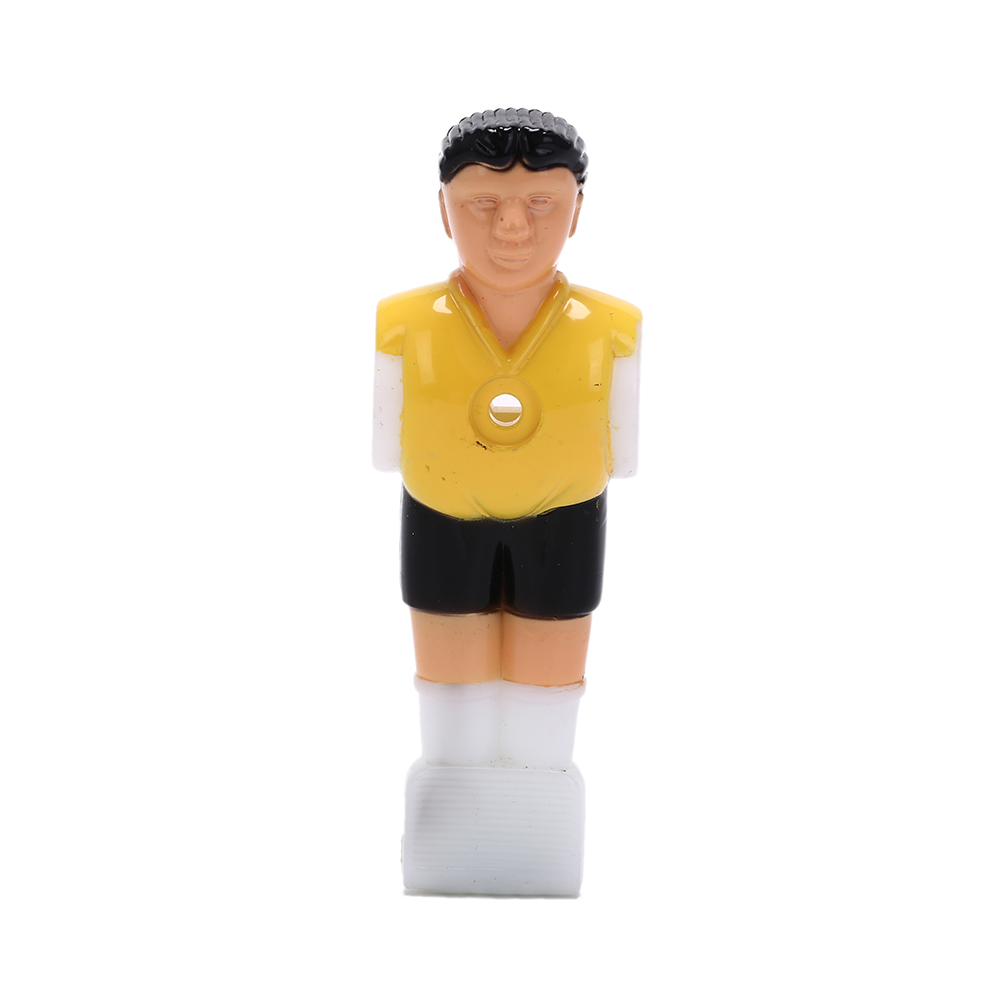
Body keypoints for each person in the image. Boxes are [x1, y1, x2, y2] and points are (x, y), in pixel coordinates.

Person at [373, 109, 640, 894]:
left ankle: (538, 794)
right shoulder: (402, 324)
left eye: (542, 204)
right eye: (484, 204)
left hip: (565, 518)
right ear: (443, 209)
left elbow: (623, 451)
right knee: (449, 675)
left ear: (578, 211)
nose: (513, 228)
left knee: (547, 673)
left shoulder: (613, 330)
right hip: (440, 513)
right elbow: (386, 444)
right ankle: (452, 798)